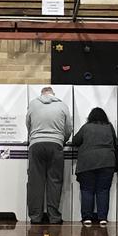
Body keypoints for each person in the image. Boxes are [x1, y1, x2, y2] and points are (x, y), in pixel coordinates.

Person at [26, 87, 73, 224]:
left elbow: (28, 124)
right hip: (56, 145)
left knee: (35, 182)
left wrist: (34, 136)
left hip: (36, 145)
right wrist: (61, 140)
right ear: (53, 94)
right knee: (55, 181)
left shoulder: (33, 104)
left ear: (42, 94)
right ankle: (54, 217)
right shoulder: (62, 105)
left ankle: (35, 217)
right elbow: (68, 128)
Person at [72, 107, 117, 225]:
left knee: (87, 190)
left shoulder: (86, 127)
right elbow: (115, 142)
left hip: (87, 163)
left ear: (90, 117)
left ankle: (87, 217)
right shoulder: (109, 127)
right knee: (103, 190)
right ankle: (102, 218)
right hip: (107, 162)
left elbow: (75, 141)